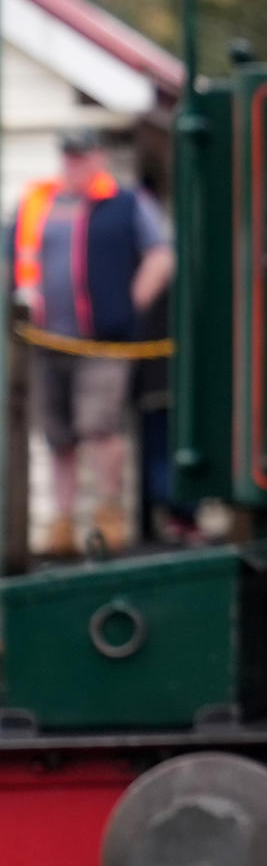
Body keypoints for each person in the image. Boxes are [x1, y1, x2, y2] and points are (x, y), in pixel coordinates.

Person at [11, 128, 176, 554]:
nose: (74, 164)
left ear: (99, 157)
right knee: (56, 435)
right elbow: (10, 257)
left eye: (82, 155)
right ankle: (61, 523)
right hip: (46, 341)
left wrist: (130, 302)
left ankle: (109, 517)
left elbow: (161, 254)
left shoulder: (125, 203)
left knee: (100, 427)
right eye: (68, 156)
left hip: (104, 343)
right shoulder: (37, 205)